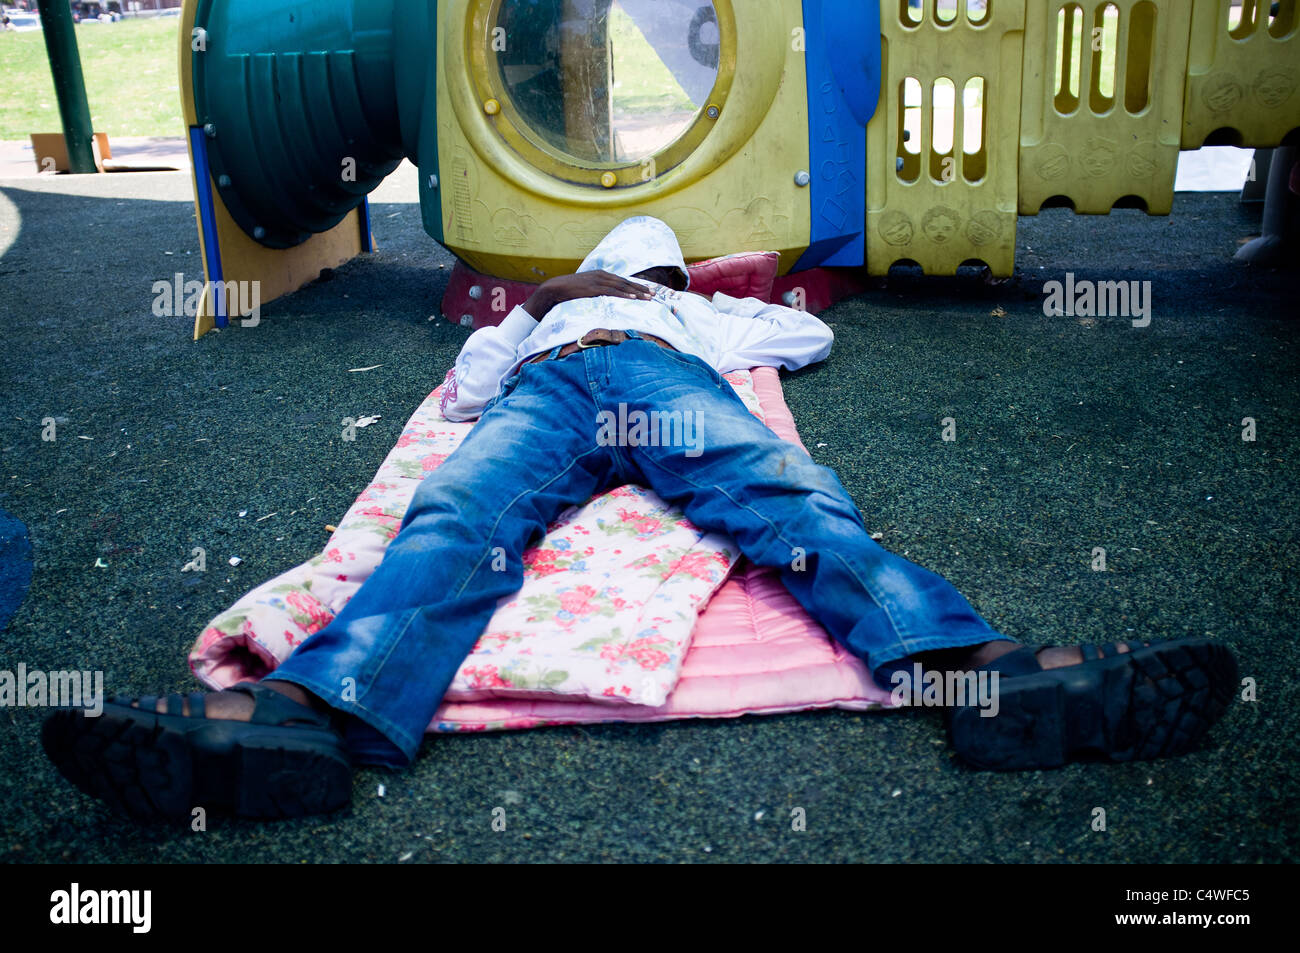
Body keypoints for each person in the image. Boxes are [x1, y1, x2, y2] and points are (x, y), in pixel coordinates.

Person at [43, 216, 1237, 821]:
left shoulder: (695, 320)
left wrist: (702, 299)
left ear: (658, 281)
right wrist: (538, 313)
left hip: (668, 389)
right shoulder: (541, 320)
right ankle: (305, 714)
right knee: (456, 514)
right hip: (553, 391)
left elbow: (804, 339)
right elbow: (462, 397)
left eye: (632, 271)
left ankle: (981, 672)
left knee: (782, 501)